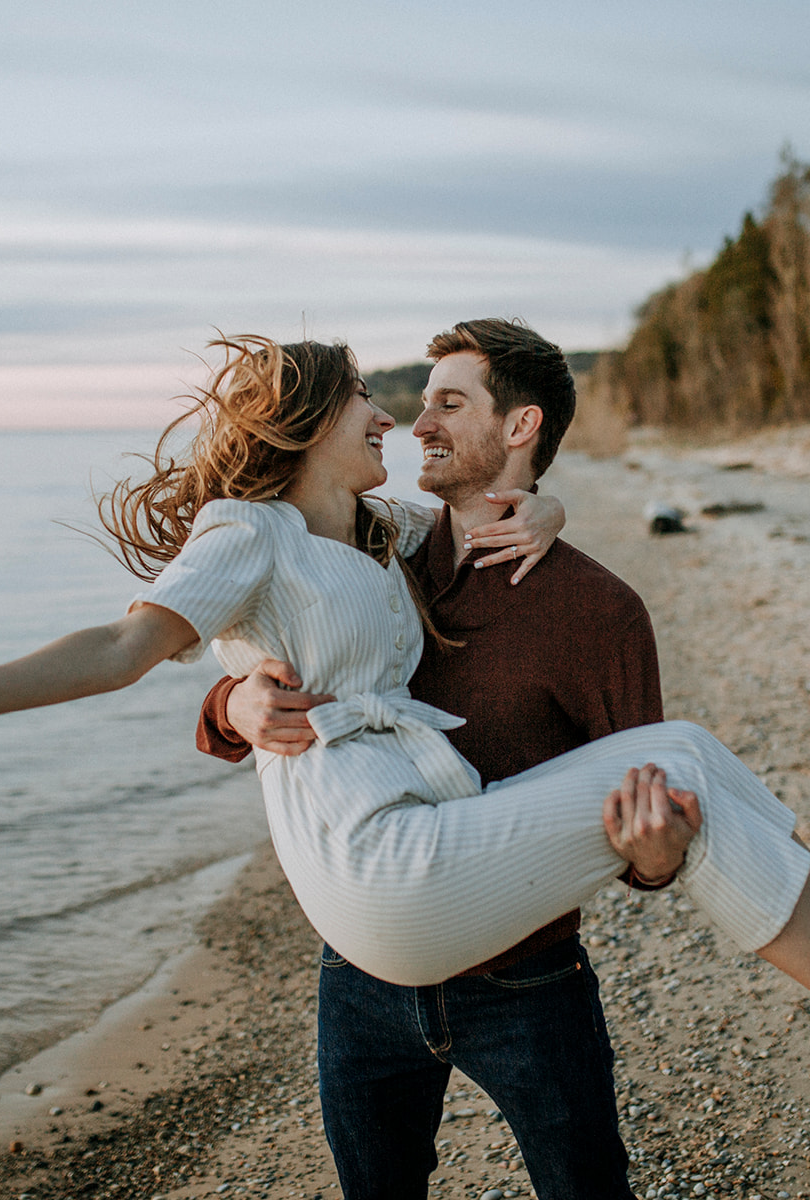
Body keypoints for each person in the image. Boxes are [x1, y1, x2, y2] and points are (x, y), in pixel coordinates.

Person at [0, 332, 810, 1125]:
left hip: (435, 865)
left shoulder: (376, 539)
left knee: (692, 757)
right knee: (678, 753)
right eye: (377, 399)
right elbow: (118, 650)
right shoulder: (247, 532)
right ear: (311, 419)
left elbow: (479, 517)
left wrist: (551, 500)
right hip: (382, 877)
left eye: (429, 402)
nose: (399, 418)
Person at [194, 318, 685, 1197]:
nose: (417, 424)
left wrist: (655, 857)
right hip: (363, 968)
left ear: (521, 427)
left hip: (528, 977)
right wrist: (232, 704)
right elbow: (272, 648)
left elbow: (636, 805)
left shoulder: (598, 611)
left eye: (448, 404)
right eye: (419, 404)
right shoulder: (385, 555)